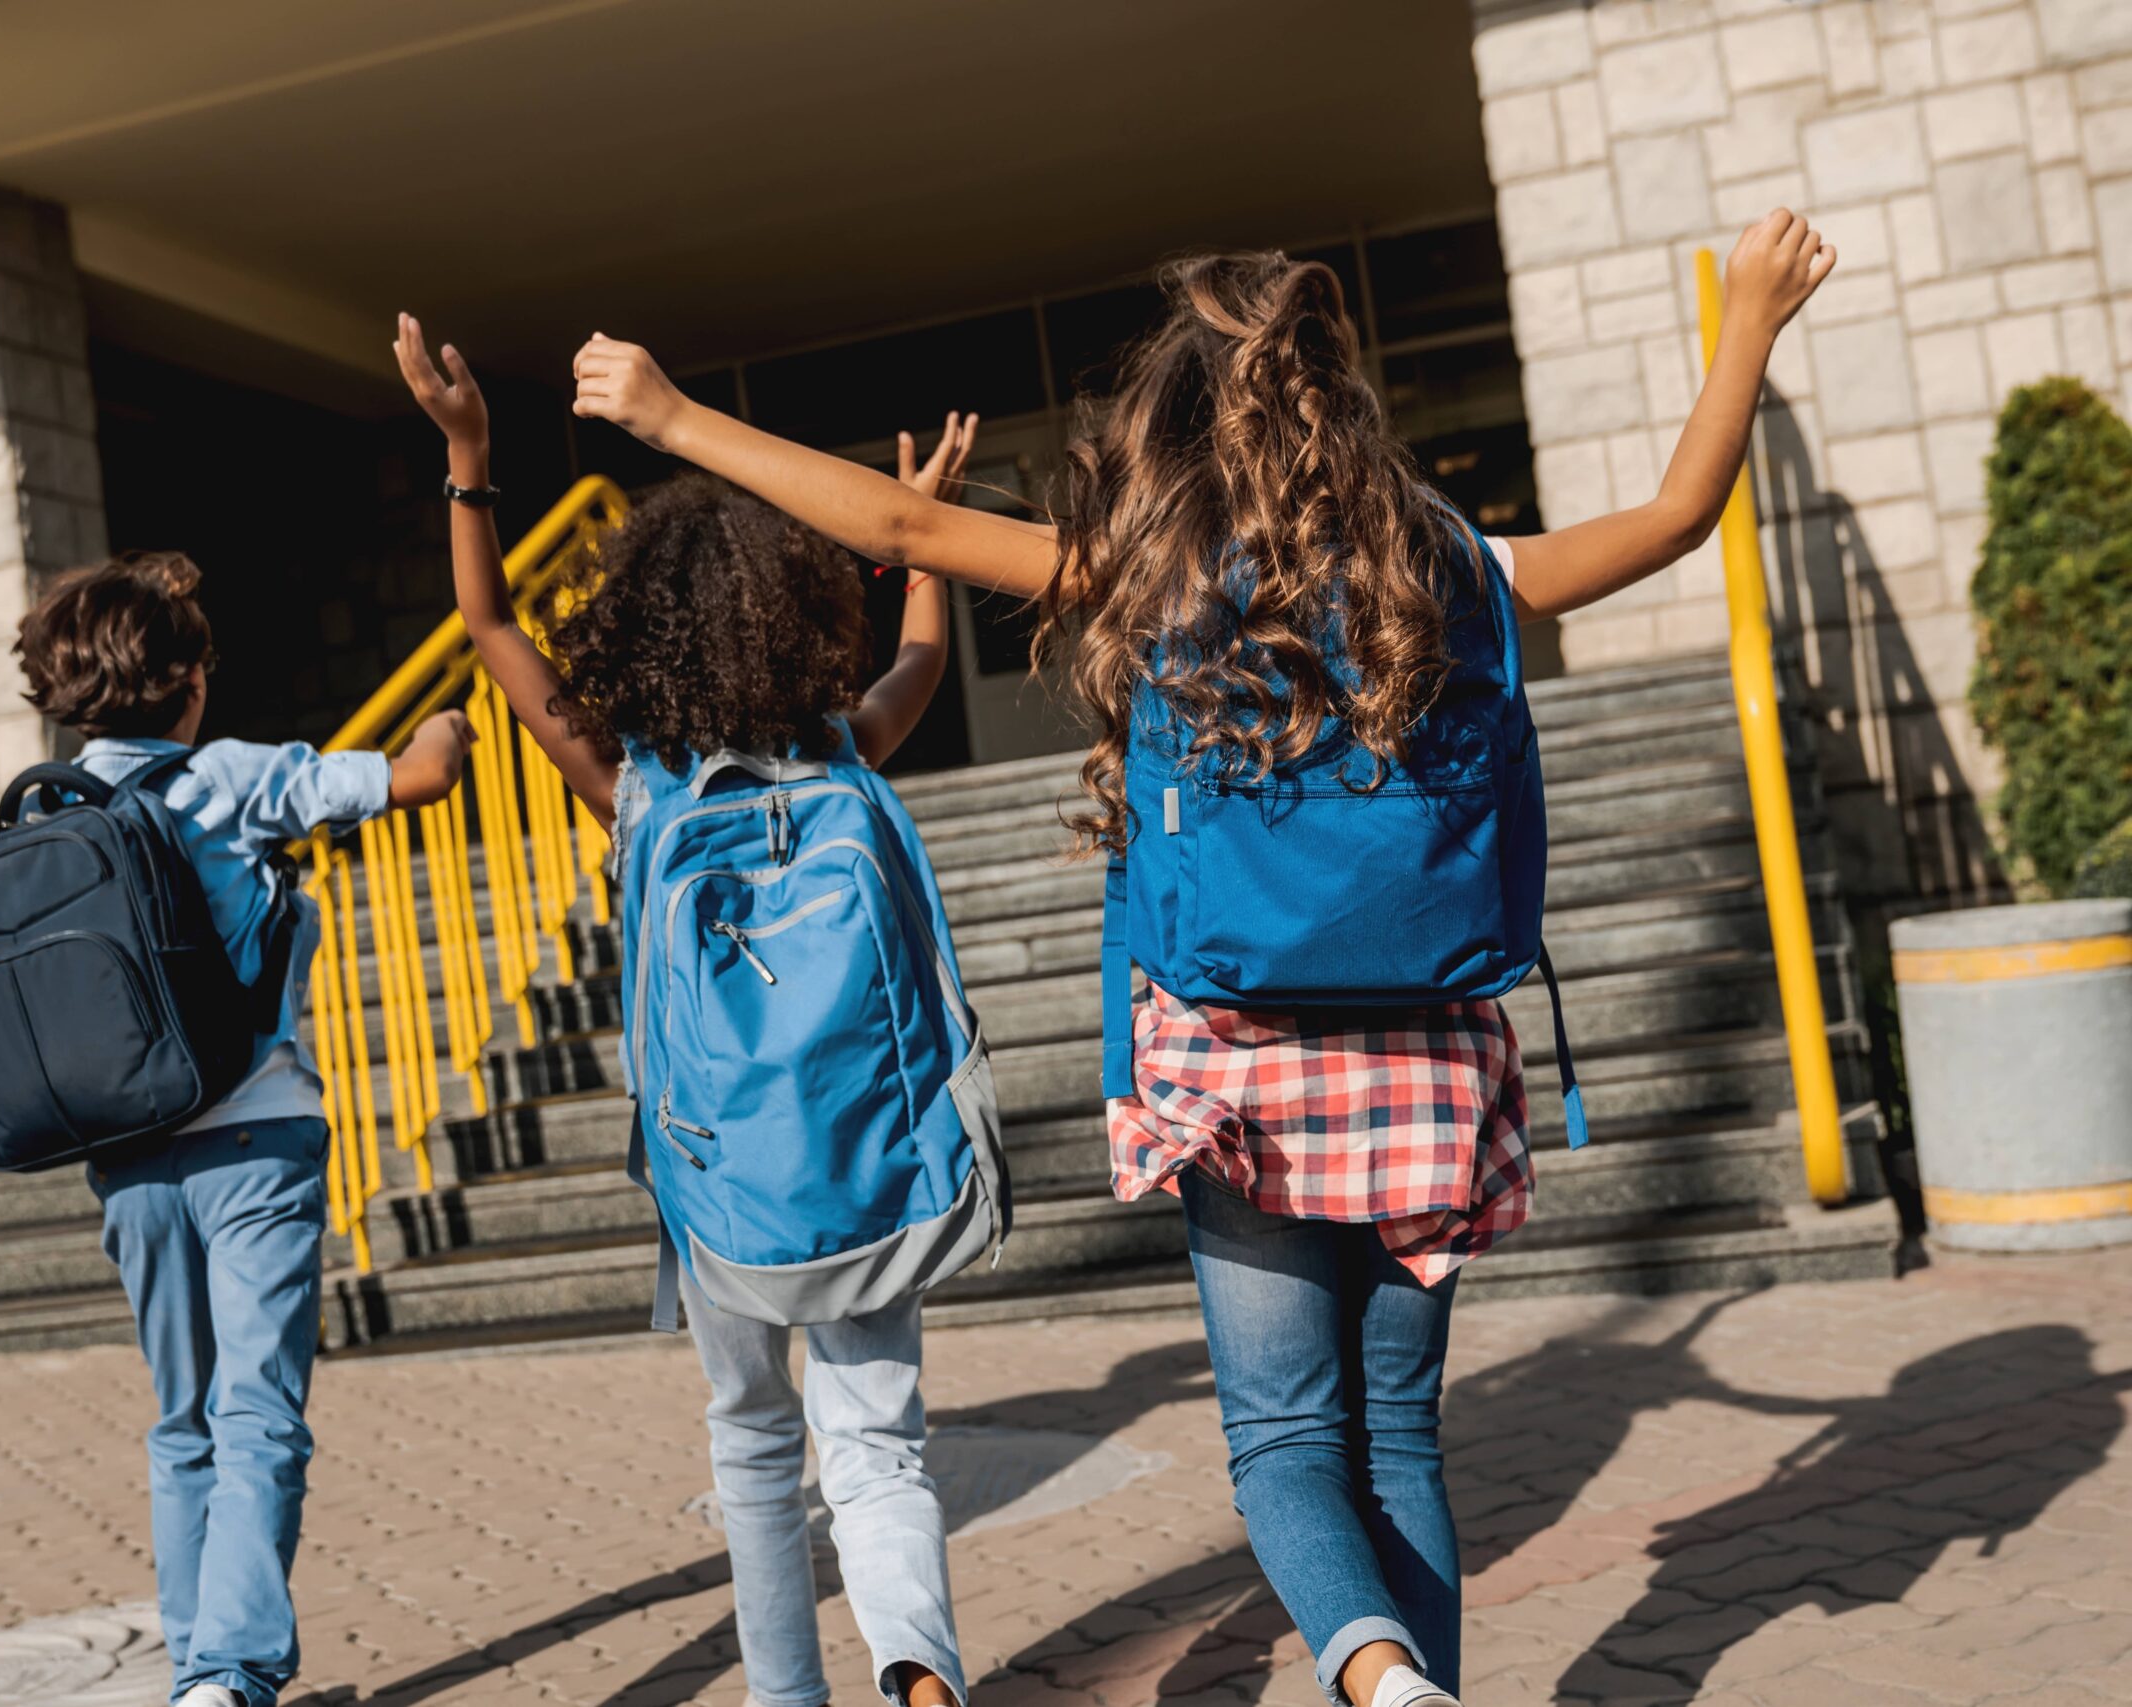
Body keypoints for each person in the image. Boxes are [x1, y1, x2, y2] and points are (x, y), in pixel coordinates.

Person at [566, 210, 1837, 1707]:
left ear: (1175, 419)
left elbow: (901, 530)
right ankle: (1415, 1677)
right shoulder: (1456, 570)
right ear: (1339, 402)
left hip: (1235, 1066)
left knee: (1290, 1440)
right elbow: (1682, 515)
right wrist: (1749, 314)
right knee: (1401, 1436)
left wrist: (671, 413)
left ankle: (1382, 1681)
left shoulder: (1152, 577)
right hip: (1432, 1055)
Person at [0, 552, 476, 1707]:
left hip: (127, 1160)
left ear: (61, 697)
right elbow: (415, 780)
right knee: (258, 1419)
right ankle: (225, 1675)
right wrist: (450, 717)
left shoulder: (25, 841)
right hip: (257, 1147)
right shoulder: (233, 780)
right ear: (189, 679)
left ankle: (202, 1671)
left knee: (183, 1419)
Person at [391, 311, 979, 1707]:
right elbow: (924, 668)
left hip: (716, 1173)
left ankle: (787, 1691)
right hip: (860, 1157)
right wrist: (918, 543)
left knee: (753, 1438)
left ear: (640, 624)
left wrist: (470, 451)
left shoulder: (635, 787)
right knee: (880, 1445)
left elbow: (486, 624)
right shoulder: (845, 750)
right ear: (795, 613)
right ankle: (919, 1669)